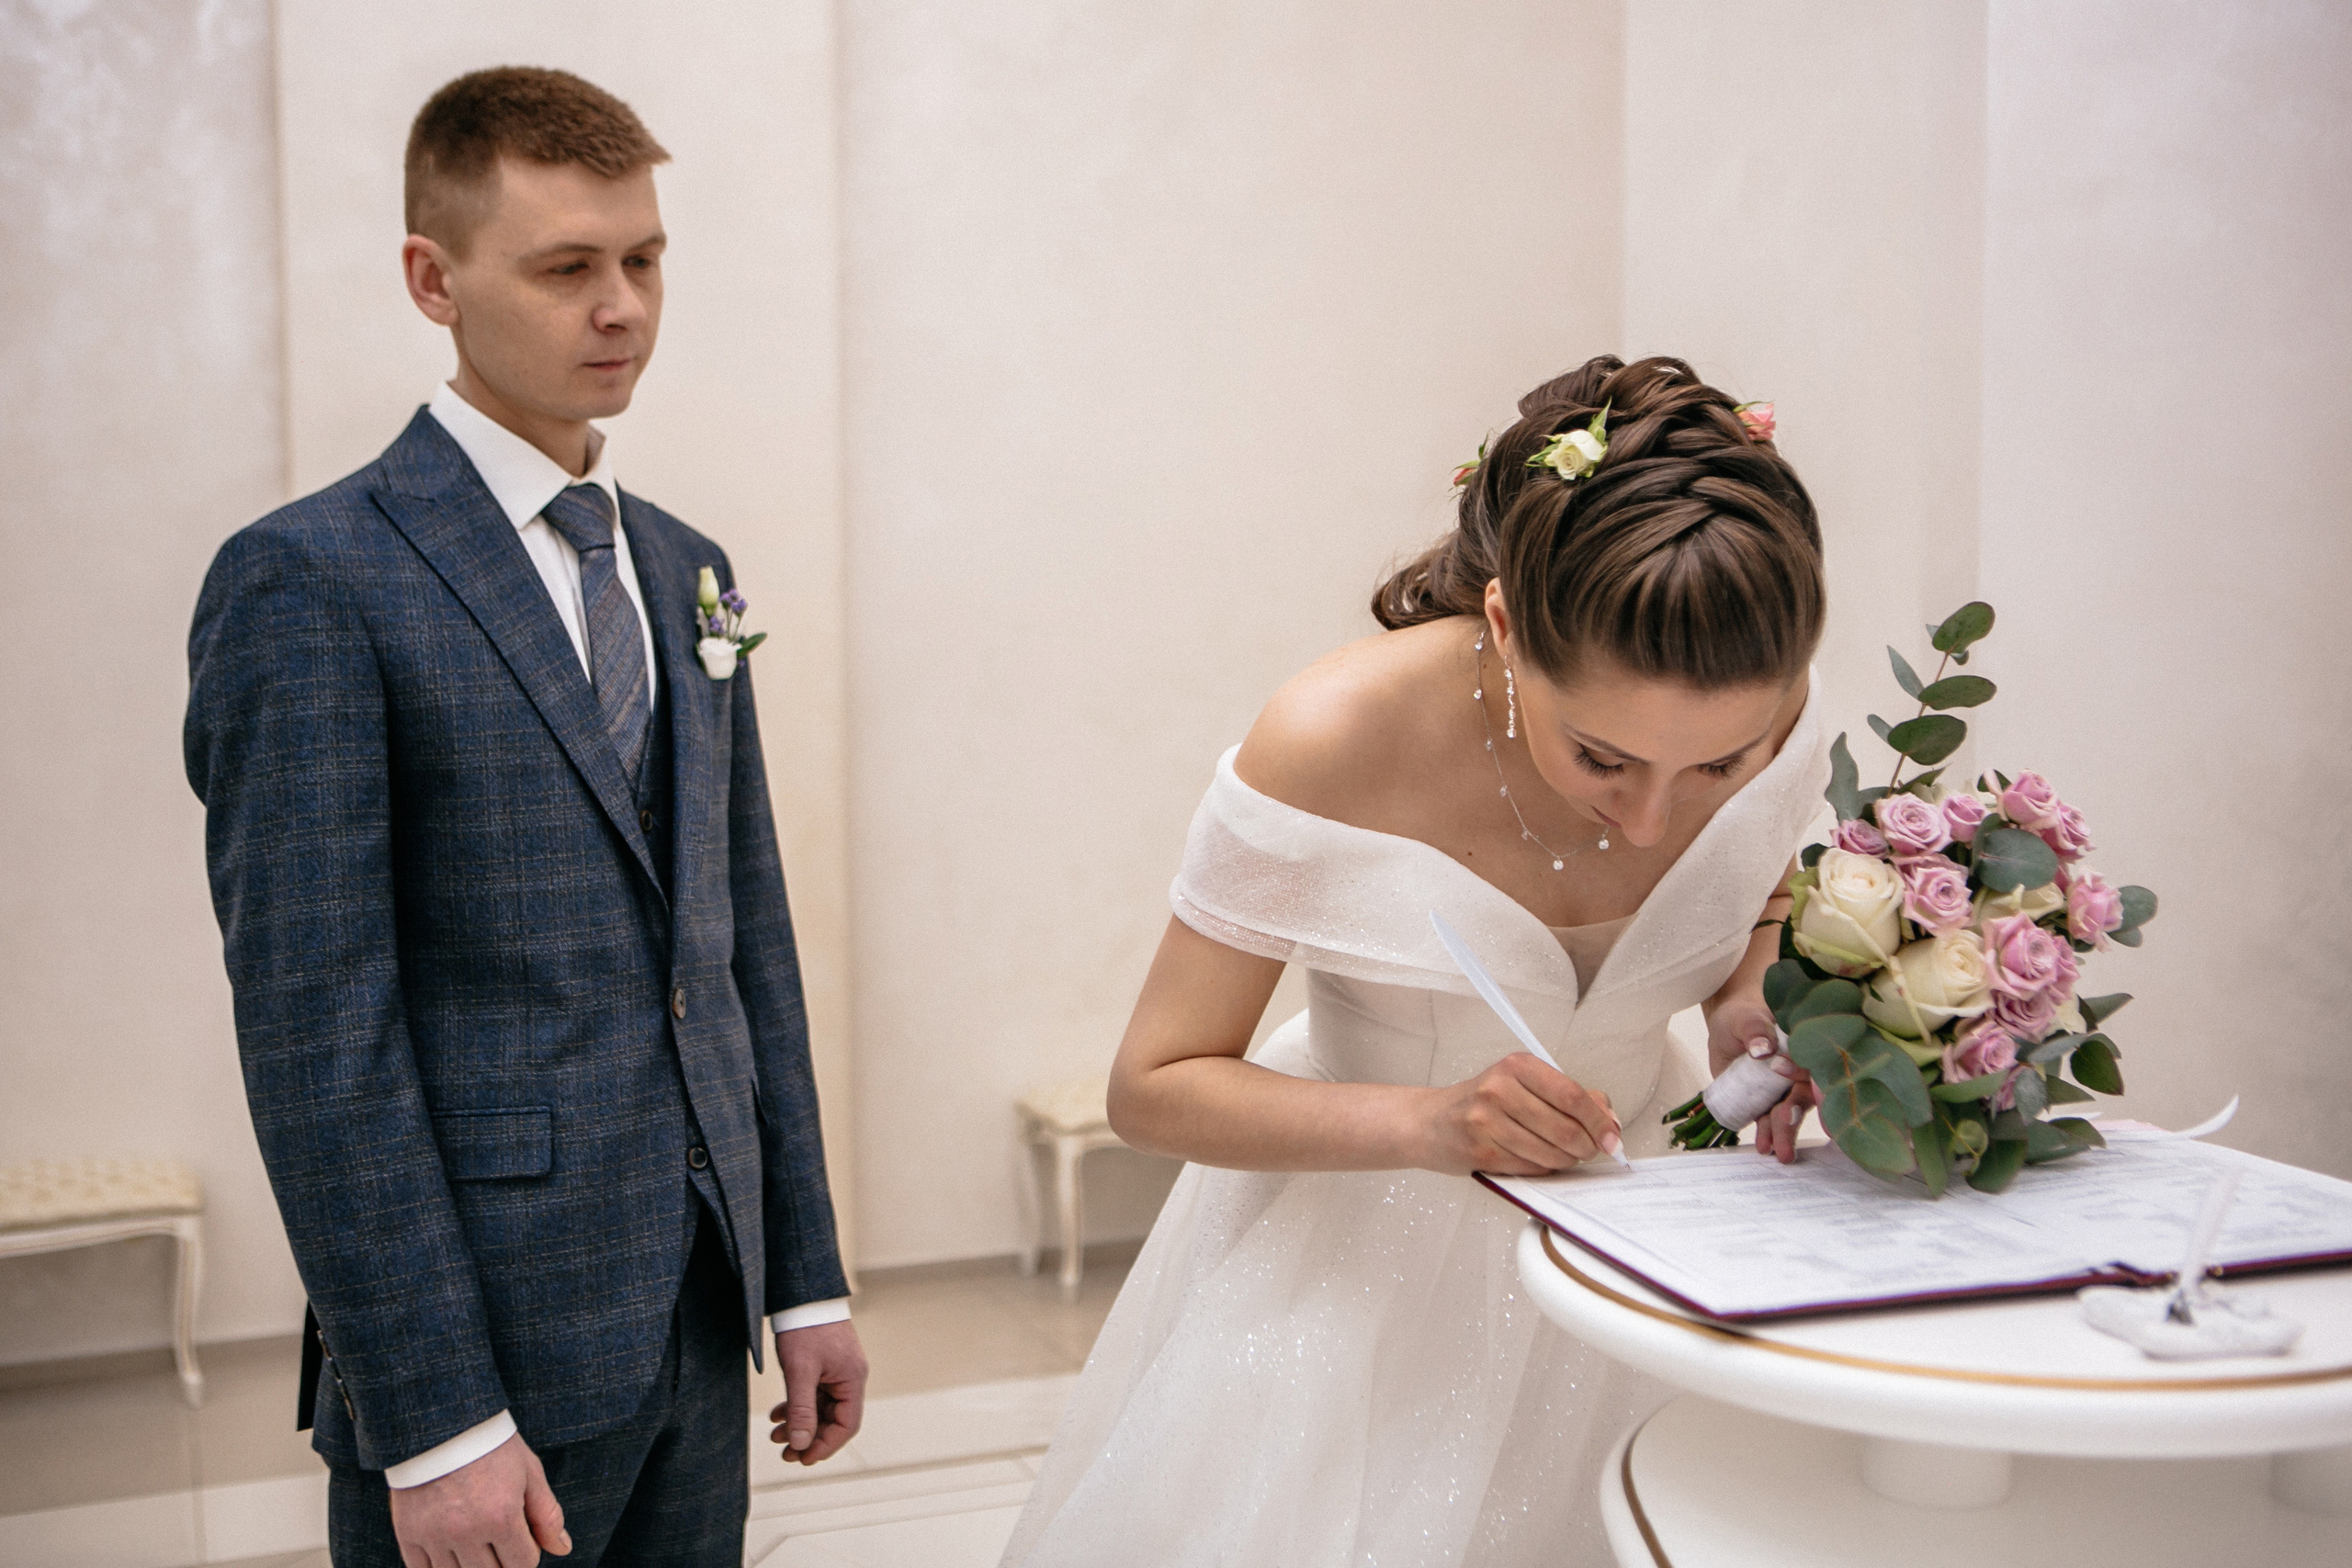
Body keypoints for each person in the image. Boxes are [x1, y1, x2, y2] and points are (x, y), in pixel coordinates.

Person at [184, 68, 864, 1567]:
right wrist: (434, 1420)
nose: (622, 307)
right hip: (484, 1349)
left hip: (701, 1311)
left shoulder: (685, 565)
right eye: (566, 268)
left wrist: (804, 1277)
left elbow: (743, 947)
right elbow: (317, 1039)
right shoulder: (310, 579)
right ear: (434, 280)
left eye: (644, 259)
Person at [1001, 355, 1828, 1567]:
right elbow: (1155, 1084)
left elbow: (1762, 884)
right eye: (1602, 758)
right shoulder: (1333, 736)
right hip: (1362, 1264)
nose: (1654, 819)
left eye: (1715, 768)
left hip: (1651, 1236)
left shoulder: (1764, 693)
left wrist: (1750, 991)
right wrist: (1429, 1122)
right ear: (1504, 629)